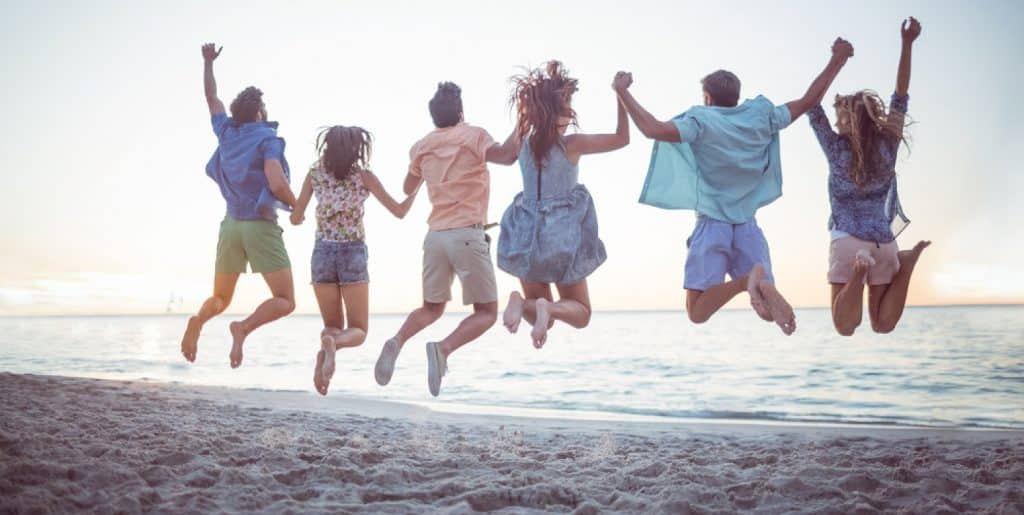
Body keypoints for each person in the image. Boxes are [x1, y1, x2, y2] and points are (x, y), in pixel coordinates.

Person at [613, 37, 856, 335]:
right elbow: (808, 101)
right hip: (747, 225)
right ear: (736, 97)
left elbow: (652, 128)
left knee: (697, 311)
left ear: (707, 97)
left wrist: (622, 92)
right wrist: (837, 60)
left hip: (713, 223)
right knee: (767, 311)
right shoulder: (760, 116)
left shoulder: (701, 120)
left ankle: (745, 282)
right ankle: (757, 282)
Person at [374, 82, 519, 397]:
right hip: (467, 233)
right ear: (461, 112)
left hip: (435, 237)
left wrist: (430, 170)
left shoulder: (422, 146)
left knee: (431, 308)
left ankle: (397, 340)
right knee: (486, 313)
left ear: (434, 117)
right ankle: (443, 349)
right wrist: (524, 122)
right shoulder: (473, 135)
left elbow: (407, 185)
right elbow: (508, 156)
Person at [808, 17, 930, 336]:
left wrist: (836, 61)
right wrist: (907, 43)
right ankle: (908, 263)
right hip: (885, 243)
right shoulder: (888, 143)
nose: (835, 124)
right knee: (883, 325)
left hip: (847, 241)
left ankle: (859, 273)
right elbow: (900, 95)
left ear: (848, 120)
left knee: (845, 326)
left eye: (839, 118)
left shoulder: (835, 148)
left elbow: (810, 105)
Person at [180, 43, 298, 368]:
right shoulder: (268, 139)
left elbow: (212, 98)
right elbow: (276, 181)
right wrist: (298, 205)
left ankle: (198, 321)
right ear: (260, 113)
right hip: (260, 226)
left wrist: (207, 64)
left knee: (220, 298)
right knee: (285, 300)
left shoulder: (227, 132)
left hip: (230, 225)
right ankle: (243, 328)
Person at [498, 61, 629, 348]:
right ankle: (550, 308)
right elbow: (622, 139)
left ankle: (521, 303)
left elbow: (499, 154)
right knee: (580, 313)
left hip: (525, 234)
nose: (570, 112)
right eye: (567, 105)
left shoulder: (521, 142)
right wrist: (621, 94)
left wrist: (523, 119)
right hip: (561, 236)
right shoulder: (572, 144)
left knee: (536, 308)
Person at [290, 126, 418, 394]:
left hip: (322, 253)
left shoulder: (314, 174)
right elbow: (398, 211)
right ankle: (332, 345)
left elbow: (296, 217)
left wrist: (299, 215)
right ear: (356, 150)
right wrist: (417, 188)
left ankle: (328, 344)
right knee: (358, 329)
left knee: (332, 326)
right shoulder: (364, 177)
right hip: (352, 253)